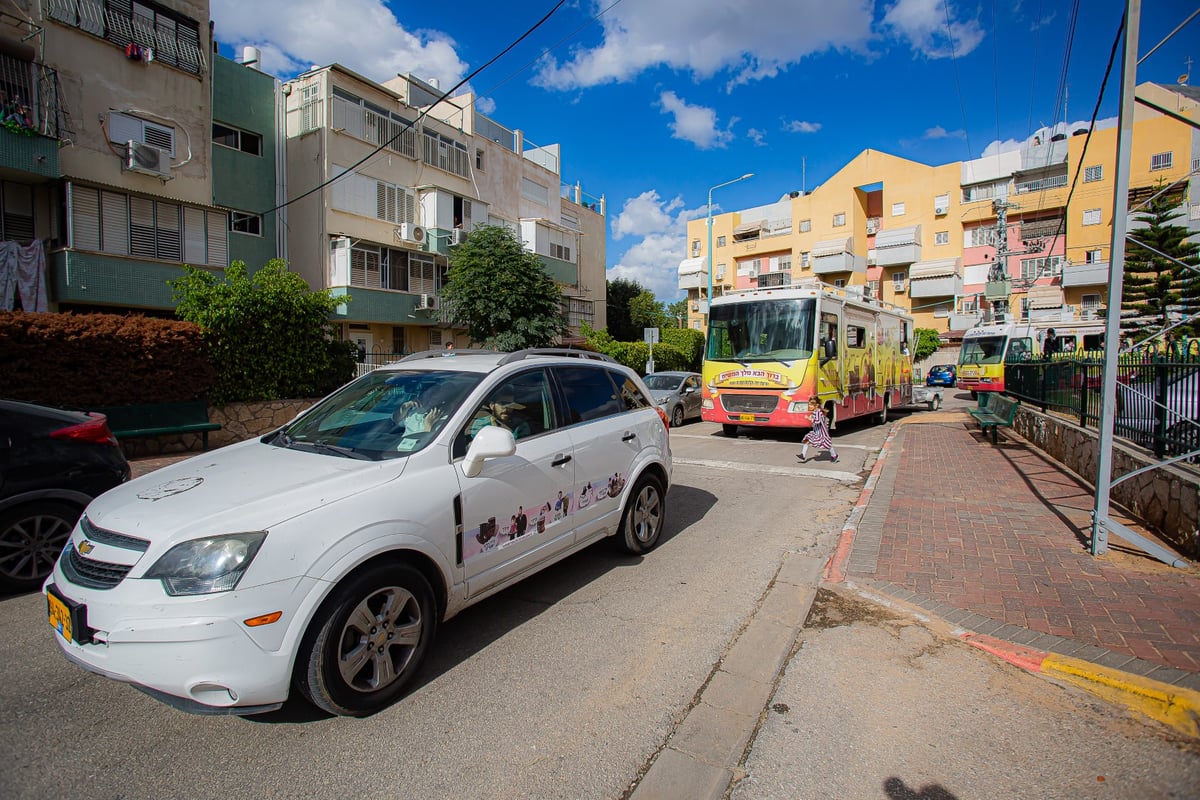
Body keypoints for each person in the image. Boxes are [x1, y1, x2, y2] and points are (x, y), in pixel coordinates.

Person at [798, 396, 838, 463]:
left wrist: (809, 418)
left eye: (811, 404)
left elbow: (817, 421)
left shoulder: (818, 412)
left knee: (827, 445)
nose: (809, 406)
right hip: (816, 432)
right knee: (807, 440)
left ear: (816, 405)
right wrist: (811, 416)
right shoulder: (815, 411)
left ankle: (834, 456)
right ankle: (803, 455)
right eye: (809, 404)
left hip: (821, 433)